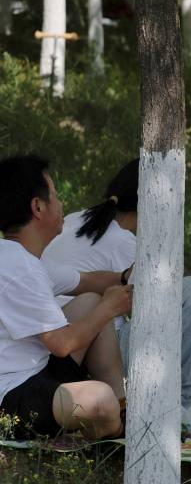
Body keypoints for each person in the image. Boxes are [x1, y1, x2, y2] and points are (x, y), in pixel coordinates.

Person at [42, 159, 191, 430]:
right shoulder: (127, 243)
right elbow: (154, 308)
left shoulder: (77, 218)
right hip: (92, 343)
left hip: (59, 337)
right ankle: (184, 400)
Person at [0, 155, 133, 440]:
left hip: (36, 372)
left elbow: (87, 280)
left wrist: (127, 277)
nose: (62, 204)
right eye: (56, 196)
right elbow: (61, 344)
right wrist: (111, 308)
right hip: (11, 397)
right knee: (99, 399)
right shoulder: (19, 267)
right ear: (38, 207)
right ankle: (116, 430)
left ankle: (124, 409)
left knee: (89, 300)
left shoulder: (25, 259)